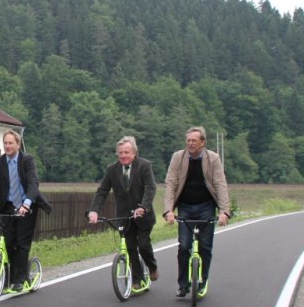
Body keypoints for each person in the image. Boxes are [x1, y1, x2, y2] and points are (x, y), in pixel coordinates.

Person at [0, 129, 51, 293]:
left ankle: (19, 280)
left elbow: (33, 183)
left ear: (18, 144)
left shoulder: (27, 160)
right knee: (7, 243)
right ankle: (10, 278)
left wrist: (26, 204)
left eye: (10, 143)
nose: (7, 146)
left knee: (22, 243)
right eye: (5, 143)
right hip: (7, 207)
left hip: (26, 206)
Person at [162, 126, 231, 298]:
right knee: (184, 246)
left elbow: (220, 184)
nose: (190, 144)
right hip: (185, 206)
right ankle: (183, 284)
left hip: (206, 206)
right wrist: (168, 210)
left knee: (205, 247)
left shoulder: (212, 158)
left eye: (194, 140)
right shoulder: (178, 157)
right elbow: (170, 184)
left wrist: (224, 212)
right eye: (188, 140)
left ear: (203, 142)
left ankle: (202, 282)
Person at [88, 136, 159, 289]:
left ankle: (152, 266)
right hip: (124, 216)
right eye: (120, 153)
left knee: (143, 245)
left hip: (143, 214)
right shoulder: (112, 170)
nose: (123, 156)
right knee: (130, 247)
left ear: (134, 153)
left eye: (126, 152)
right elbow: (102, 191)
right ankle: (137, 279)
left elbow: (150, 188)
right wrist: (94, 211)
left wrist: (143, 207)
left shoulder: (144, 166)